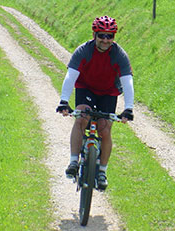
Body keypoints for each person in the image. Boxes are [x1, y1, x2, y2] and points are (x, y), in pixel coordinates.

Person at [56, 15, 134, 190]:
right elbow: (70, 76)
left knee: (105, 129)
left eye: (110, 36)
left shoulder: (119, 54)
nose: (105, 40)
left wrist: (128, 109)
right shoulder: (84, 51)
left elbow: (127, 81)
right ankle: (74, 161)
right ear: (94, 35)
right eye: (101, 35)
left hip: (108, 92)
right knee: (82, 118)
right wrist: (63, 101)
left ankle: (102, 171)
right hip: (86, 88)